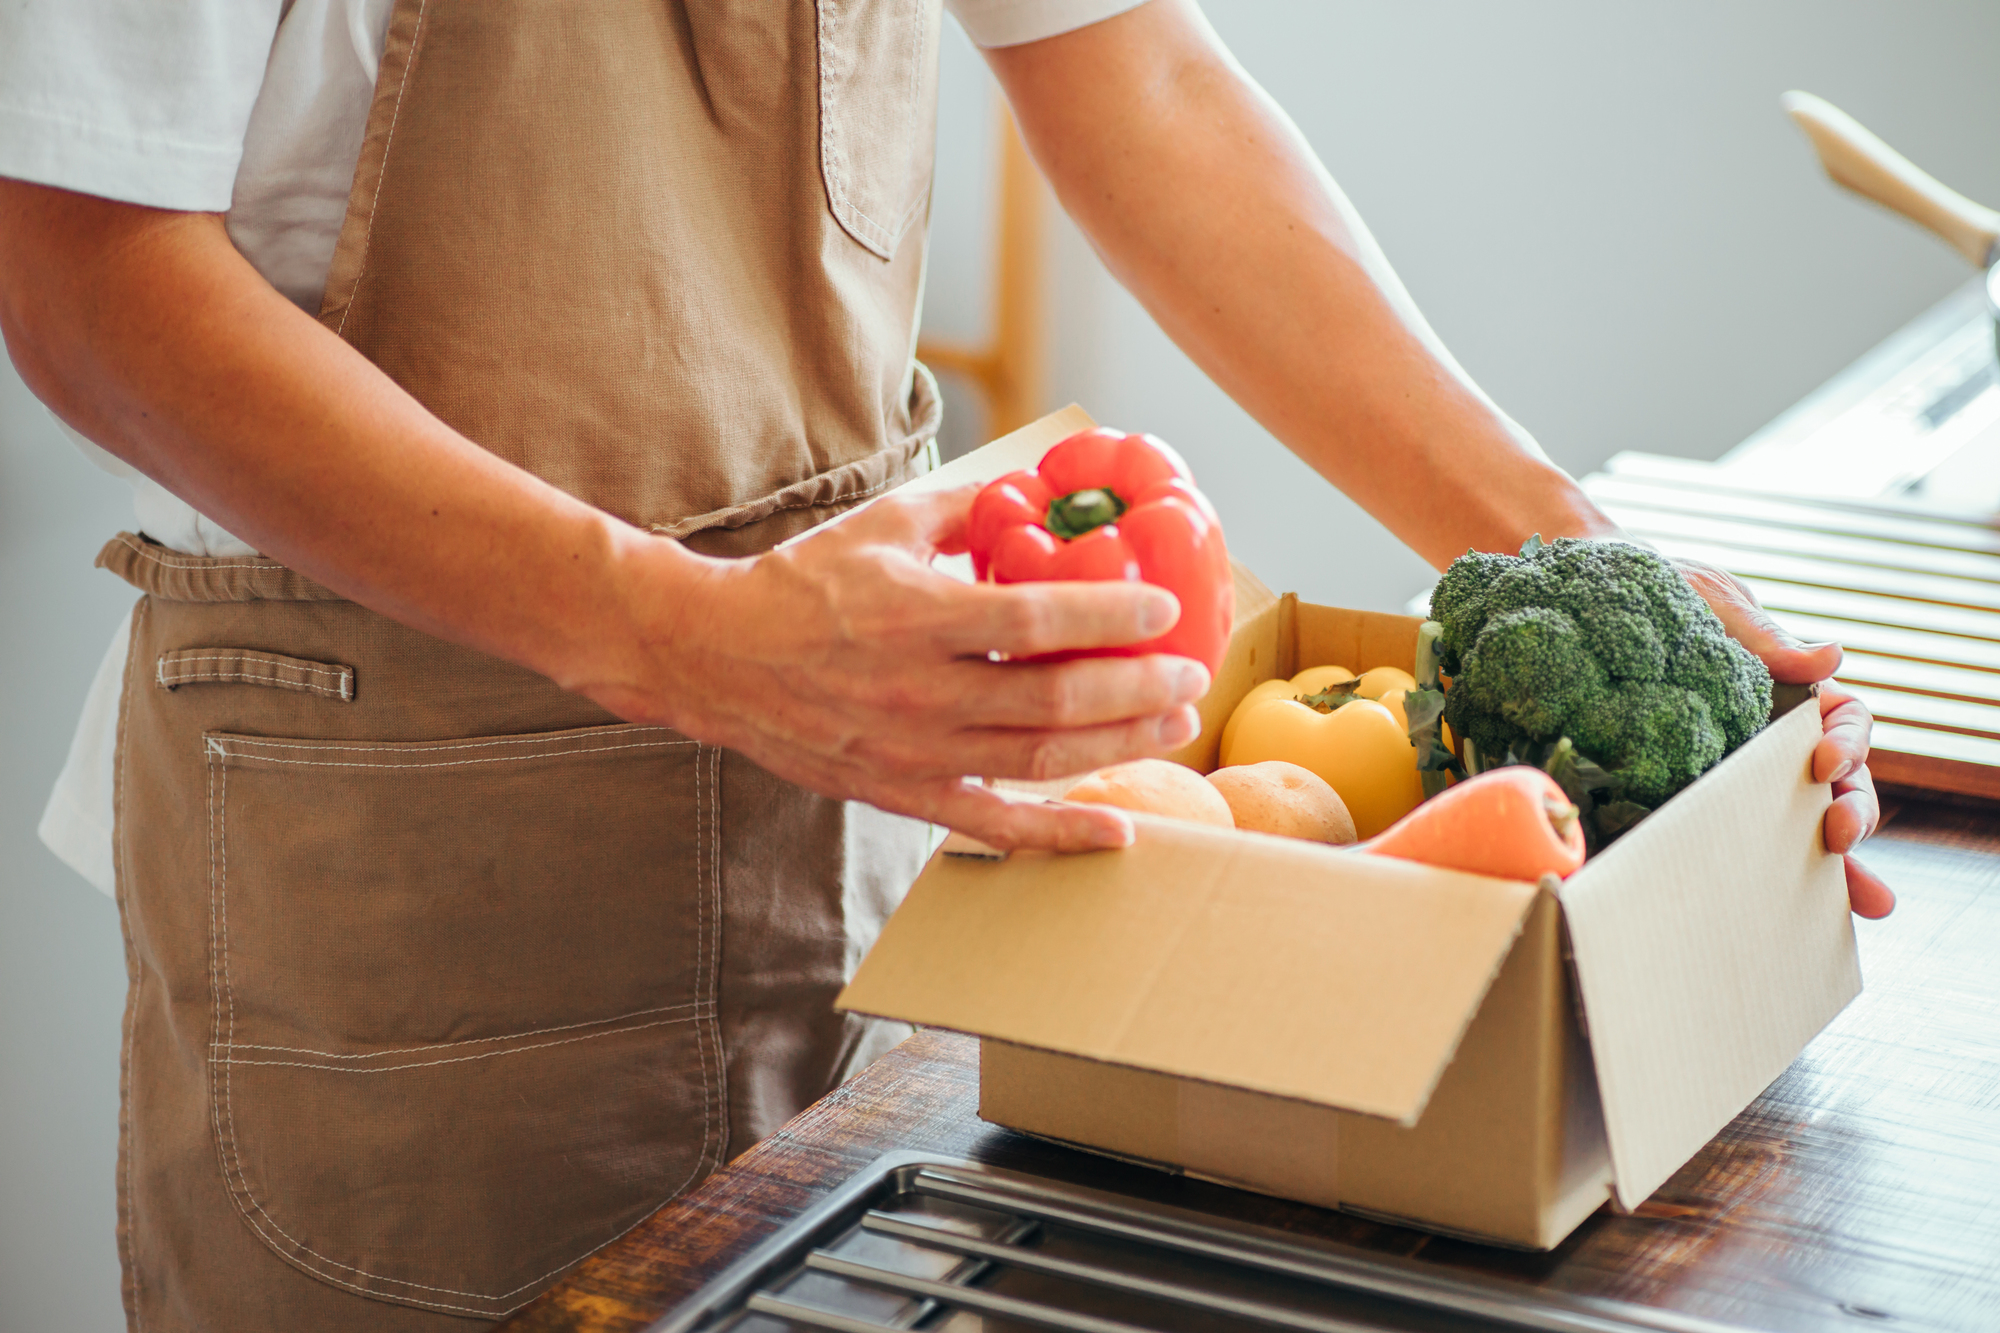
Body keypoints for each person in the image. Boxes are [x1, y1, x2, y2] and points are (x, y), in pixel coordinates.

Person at [0, 0, 1890, 1328]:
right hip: (418, 881)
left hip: (874, 815)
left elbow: (1127, 63)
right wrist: (681, 633)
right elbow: (80, 272)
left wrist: (1569, 544)